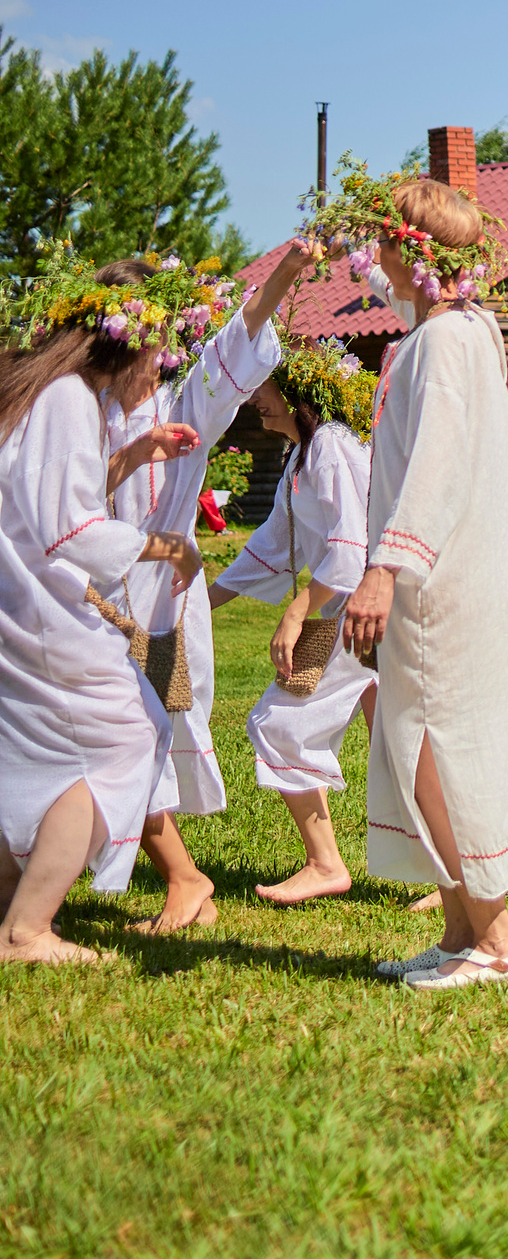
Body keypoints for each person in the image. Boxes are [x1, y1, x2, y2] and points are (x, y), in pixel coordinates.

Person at [344, 178, 508, 990]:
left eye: (385, 239)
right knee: (418, 742)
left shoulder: (443, 340)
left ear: (416, 252)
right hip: (454, 572)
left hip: (442, 583)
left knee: (436, 750)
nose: (375, 253)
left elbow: (435, 466)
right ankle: (457, 933)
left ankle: (498, 942)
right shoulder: (459, 328)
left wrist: (383, 569)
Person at [0, 251, 219, 965]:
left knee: (32, 745)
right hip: (44, 610)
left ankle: (9, 892)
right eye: (157, 350)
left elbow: (55, 497)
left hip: (21, 601)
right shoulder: (69, 398)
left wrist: (137, 450)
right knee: (123, 738)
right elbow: (71, 528)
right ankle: (27, 930)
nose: (158, 368)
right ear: (128, 342)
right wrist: (172, 548)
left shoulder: (43, 388)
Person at [103, 241, 312, 933]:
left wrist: (281, 277)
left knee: (138, 729)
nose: (142, 349)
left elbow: (236, 343)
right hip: (90, 589)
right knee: (108, 728)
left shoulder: (184, 399)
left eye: (151, 334)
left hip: (161, 597)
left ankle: (184, 880)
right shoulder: (85, 406)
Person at [207, 336, 380, 905]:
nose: (255, 397)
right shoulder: (302, 455)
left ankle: (326, 864)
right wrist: (200, 602)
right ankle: (449, 874)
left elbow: (350, 545)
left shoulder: (331, 444)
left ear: (298, 390)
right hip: (355, 609)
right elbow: (271, 544)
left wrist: (299, 610)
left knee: (279, 721)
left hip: (364, 611)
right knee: (397, 740)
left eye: (266, 385)